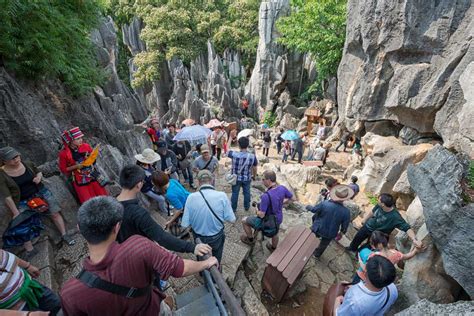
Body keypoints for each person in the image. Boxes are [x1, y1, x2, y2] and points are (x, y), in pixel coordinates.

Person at [60, 196, 218, 316]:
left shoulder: (70, 293)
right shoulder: (138, 247)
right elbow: (179, 268)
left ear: (79, 228)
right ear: (117, 227)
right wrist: (206, 263)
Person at [116, 165, 211, 256]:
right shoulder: (173, 181)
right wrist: (192, 248)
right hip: (190, 200)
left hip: (188, 208)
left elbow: (179, 209)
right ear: (138, 185)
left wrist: (171, 220)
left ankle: (186, 235)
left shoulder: (112, 205)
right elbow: (161, 236)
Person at [0, 147, 75, 255]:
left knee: (54, 212)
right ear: (4, 161)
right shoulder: (2, 174)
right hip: (22, 201)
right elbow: (7, 196)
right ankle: (30, 250)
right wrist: (15, 212)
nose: (16, 160)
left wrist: (38, 177)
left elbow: (38, 172)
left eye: (16, 156)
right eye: (12, 159)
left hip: (41, 193)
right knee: (22, 224)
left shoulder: (27, 163)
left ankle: (64, 235)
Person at [182, 170, 236, 264]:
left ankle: (202, 271)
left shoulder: (191, 197)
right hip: (216, 236)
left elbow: (184, 224)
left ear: (198, 182)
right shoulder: (222, 196)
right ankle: (216, 268)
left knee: (201, 255)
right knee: (217, 254)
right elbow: (232, 219)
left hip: (199, 237)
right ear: (212, 180)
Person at [347, 193, 423, 252]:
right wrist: (365, 219)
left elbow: (407, 228)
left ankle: (359, 254)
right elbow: (372, 212)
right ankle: (351, 249)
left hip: (378, 235)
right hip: (368, 227)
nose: (377, 201)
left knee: (368, 247)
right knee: (357, 238)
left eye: (379, 200)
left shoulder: (395, 217)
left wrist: (414, 240)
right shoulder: (379, 205)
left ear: (383, 204)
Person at [240, 170, 293, 251]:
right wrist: (281, 203)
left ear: (268, 180)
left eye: (263, 179)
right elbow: (292, 198)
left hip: (267, 221)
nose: (262, 181)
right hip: (278, 219)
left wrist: (257, 210)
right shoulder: (282, 188)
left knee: (244, 220)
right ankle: (273, 248)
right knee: (275, 233)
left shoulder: (266, 196)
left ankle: (250, 240)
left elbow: (261, 215)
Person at [0, 249, 61, 315]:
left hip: (33, 287)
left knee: (58, 307)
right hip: (19, 309)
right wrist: (27, 314)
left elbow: (5, 255)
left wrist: (27, 266)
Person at [58, 127, 108, 204]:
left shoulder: (86, 146)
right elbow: (63, 169)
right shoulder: (64, 154)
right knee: (88, 201)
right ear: (70, 141)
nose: (81, 140)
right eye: (78, 139)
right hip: (80, 179)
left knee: (103, 197)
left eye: (81, 137)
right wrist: (76, 166)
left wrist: (90, 159)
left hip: (93, 175)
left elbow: (93, 160)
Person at [353, 231, 422, 284]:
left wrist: (360, 260)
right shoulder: (395, 253)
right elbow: (407, 256)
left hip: (363, 278)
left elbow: (365, 269)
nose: (372, 246)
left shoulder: (374, 256)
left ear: (379, 245)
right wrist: (416, 250)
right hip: (378, 281)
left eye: (372, 244)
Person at [306, 185, 352, 258]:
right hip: (330, 233)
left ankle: (307, 247)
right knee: (323, 245)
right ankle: (317, 254)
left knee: (311, 236)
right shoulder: (346, 212)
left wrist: (308, 206)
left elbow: (314, 210)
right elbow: (344, 227)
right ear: (344, 199)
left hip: (318, 227)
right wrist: (341, 233)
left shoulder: (325, 203)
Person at [227, 137, 258, 212]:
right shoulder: (252, 156)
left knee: (235, 193)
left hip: (236, 178)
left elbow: (227, 149)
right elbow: (255, 167)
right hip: (247, 178)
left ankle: (233, 208)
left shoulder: (234, 154)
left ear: (238, 145)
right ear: (247, 145)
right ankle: (247, 207)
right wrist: (254, 176)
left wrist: (230, 139)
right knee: (247, 192)